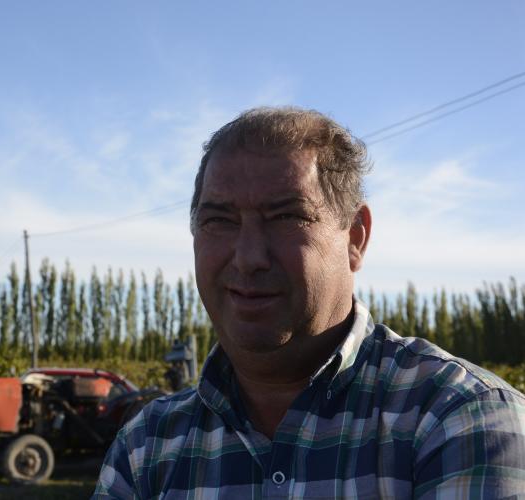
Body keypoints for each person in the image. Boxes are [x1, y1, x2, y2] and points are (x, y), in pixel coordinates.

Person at [93, 107, 525, 499]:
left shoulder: (458, 418)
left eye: (287, 216)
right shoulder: (146, 445)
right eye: (219, 220)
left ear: (355, 237)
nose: (248, 257)